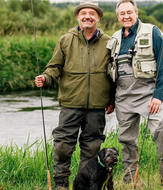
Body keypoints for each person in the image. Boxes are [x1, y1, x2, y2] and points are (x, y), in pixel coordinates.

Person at [34, 0, 115, 189]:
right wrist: (45, 78)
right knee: (62, 146)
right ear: (78, 16)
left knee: (92, 148)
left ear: (98, 17)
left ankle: (84, 184)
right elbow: (54, 67)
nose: (88, 16)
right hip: (70, 103)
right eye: (84, 13)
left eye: (92, 13)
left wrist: (111, 100)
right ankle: (61, 183)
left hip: (97, 106)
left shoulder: (109, 42)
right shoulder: (65, 40)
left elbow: (113, 74)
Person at [106, 0, 163, 186]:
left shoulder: (152, 32)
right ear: (118, 16)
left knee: (162, 133)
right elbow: (112, 73)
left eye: (129, 12)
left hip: (149, 97)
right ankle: (130, 182)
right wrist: (111, 100)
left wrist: (158, 96)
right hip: (123, 99)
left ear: (136, 13)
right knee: (127, 142)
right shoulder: (114, 38)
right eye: (122, 13)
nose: (126, 16)